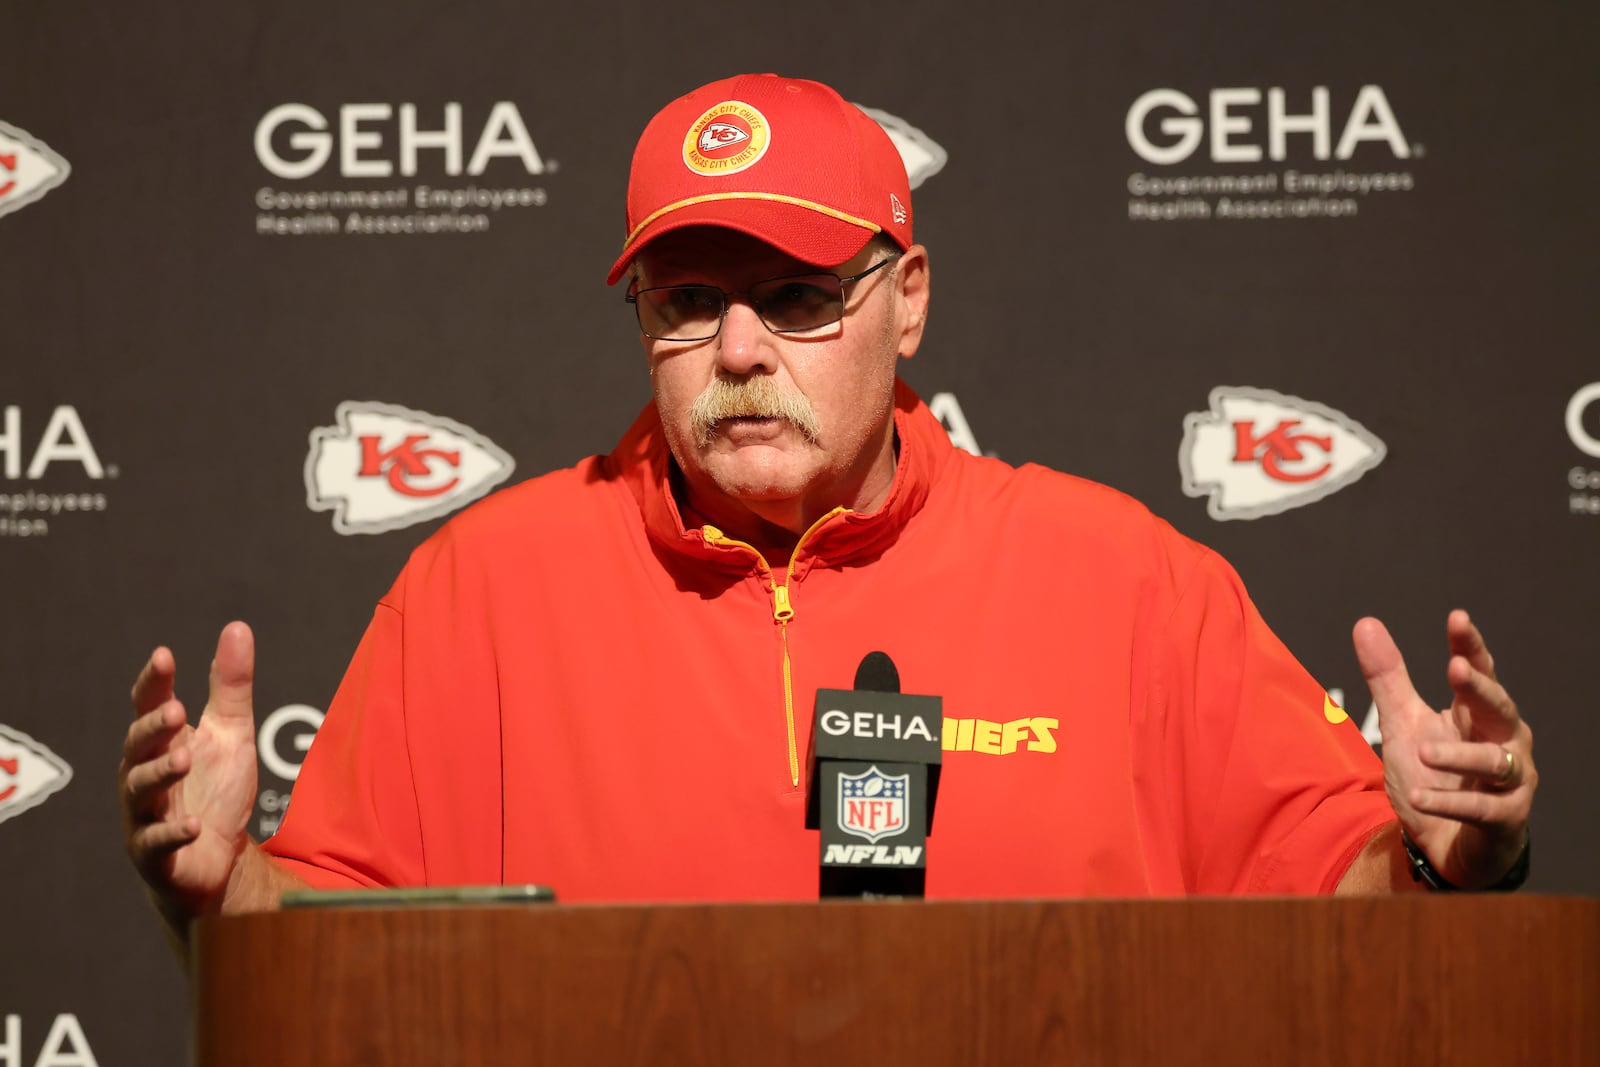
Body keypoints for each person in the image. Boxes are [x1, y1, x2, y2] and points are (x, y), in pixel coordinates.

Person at [120, 73, 1536, 946]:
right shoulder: (477, 591)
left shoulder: (1126, 582)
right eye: (689, 304)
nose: (741, 352)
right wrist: (223, 887)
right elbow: (322, 973)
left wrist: (1441, 855)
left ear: (906, 300)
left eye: (797, 299)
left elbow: (1345, 926)